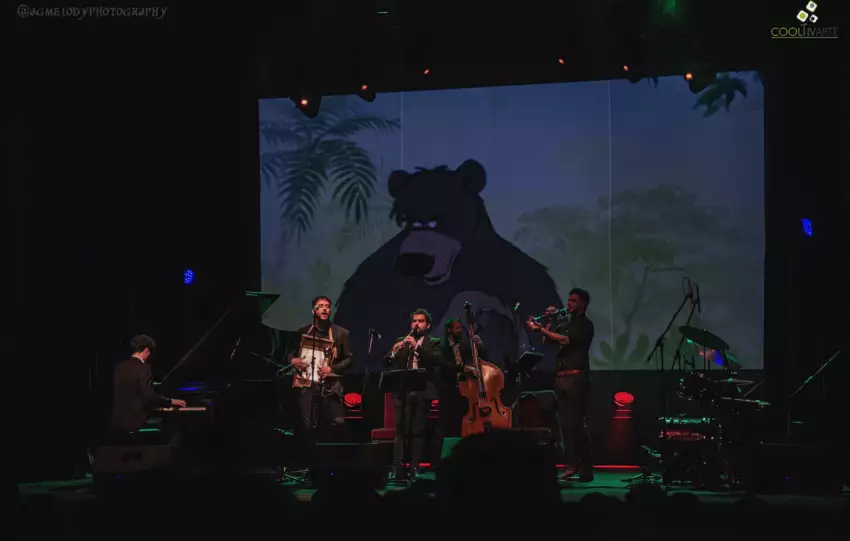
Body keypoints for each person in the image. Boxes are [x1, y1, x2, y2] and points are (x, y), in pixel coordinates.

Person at [526, 288, 594, 482]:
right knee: (565, 426)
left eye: (573, 300)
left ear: (583, 304)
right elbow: (546, 340)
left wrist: (542, 329)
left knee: (577, 425)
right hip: (561, 379)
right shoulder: (566, 323)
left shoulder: (585, 324)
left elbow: (565, 340)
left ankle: (586, 468)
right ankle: (572, 466)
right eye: (569, 300)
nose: (569, 303)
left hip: (576, 379)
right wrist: (550, 321)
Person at [287, 296, 352, 445]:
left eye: (327, 306)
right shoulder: (303, 331)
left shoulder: (340, 333)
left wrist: (331, 368)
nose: (324, 309)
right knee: (307, 425)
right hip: (306, 384)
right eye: (321, 306)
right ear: (313, 310)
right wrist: (293, 361)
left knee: (336, 424)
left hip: (330, 386)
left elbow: (349, 359)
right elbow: (290, 353)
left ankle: (334, 455)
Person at [386, 308, 442, 480]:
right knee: (401, 429)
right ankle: (397, 467)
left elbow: (436, 360)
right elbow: (387, 362)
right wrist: (393, 352)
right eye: (414, 321)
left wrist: (416, 347)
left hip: (423, 390)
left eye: (421, 321)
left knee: (418, 430)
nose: (417, 324)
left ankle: (414, 467)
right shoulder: (401, 341)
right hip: (402, 391)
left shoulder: (434, 343)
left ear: (428, 325)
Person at [111, 335, 186, 437]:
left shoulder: (119, 367)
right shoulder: (144, 368)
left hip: (117, 422)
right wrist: (171, 401)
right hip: (137, 423)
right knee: (173, 430)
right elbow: (149, 397)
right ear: (146, 350)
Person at [436, 318, 484, 441]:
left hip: (465, 390)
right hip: (448, 390)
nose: (460, 330)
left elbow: (481, 361)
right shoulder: (441, 347)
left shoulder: (464, 346)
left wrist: (480, 346)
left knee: (460, 424)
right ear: (449, 330)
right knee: (446, 425)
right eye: (457, 328)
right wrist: (464, 368)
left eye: (460, 328)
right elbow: (445, 366)